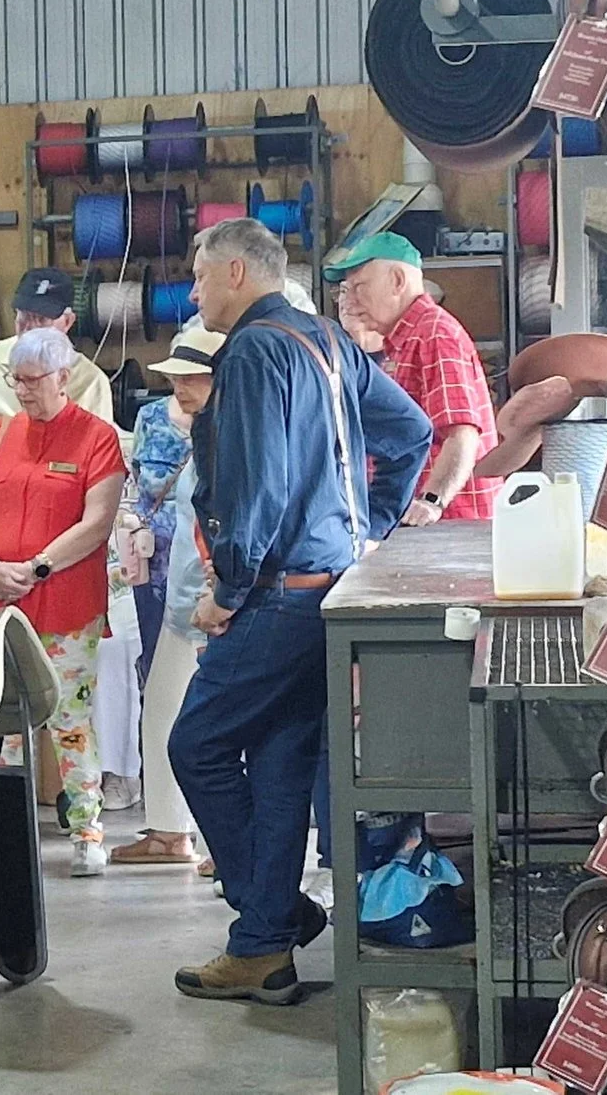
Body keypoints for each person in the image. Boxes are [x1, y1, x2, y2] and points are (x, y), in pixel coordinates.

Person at [168, 219, 431, 1005]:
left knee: (198, 746)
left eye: (201, 275)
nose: (193, 290)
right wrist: (370, 525)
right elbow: (411, 432)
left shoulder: (250, 351)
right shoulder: (326, 339)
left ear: (239, 272)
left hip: (279, 594)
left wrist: (225, 591)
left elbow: (258, 488)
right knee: (280, 763)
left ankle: (274, 912)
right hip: (332, 586)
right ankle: (260, 950)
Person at [0, 327, 128, 876]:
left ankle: (86, 829)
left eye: (33, 380)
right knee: (3, 717)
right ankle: (10, 830)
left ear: (64, 377)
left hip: (64, 602)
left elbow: (96, 521)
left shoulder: (96, 438)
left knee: (68, 718)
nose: (23, 390)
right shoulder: (0, 434)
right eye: (17, 379)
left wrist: (36, 569)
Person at [110, 323, 228, 868]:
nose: (180, 386)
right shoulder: (187, 426)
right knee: (160, 709)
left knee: (220, 723)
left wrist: (220, 592)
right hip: (183, 593)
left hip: (216, 598)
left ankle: (224, 844)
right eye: (175, 376)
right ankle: (168, 832)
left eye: (192, 377)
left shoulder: (231, 433)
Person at [329, 232, 501, 524]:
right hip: (426, 522)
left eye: (360, 287)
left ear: (397, 281)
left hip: (450, 523)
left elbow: (463, 434)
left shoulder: (434, 334)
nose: (351, 301)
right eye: (346, 289)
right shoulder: (403, 339)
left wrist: (432, 501)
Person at [0, 267, 114, 424]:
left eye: (42, 320)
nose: (30, 329)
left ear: (68, 321)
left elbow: (100, 442)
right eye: (24, 316)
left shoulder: (91, 381)